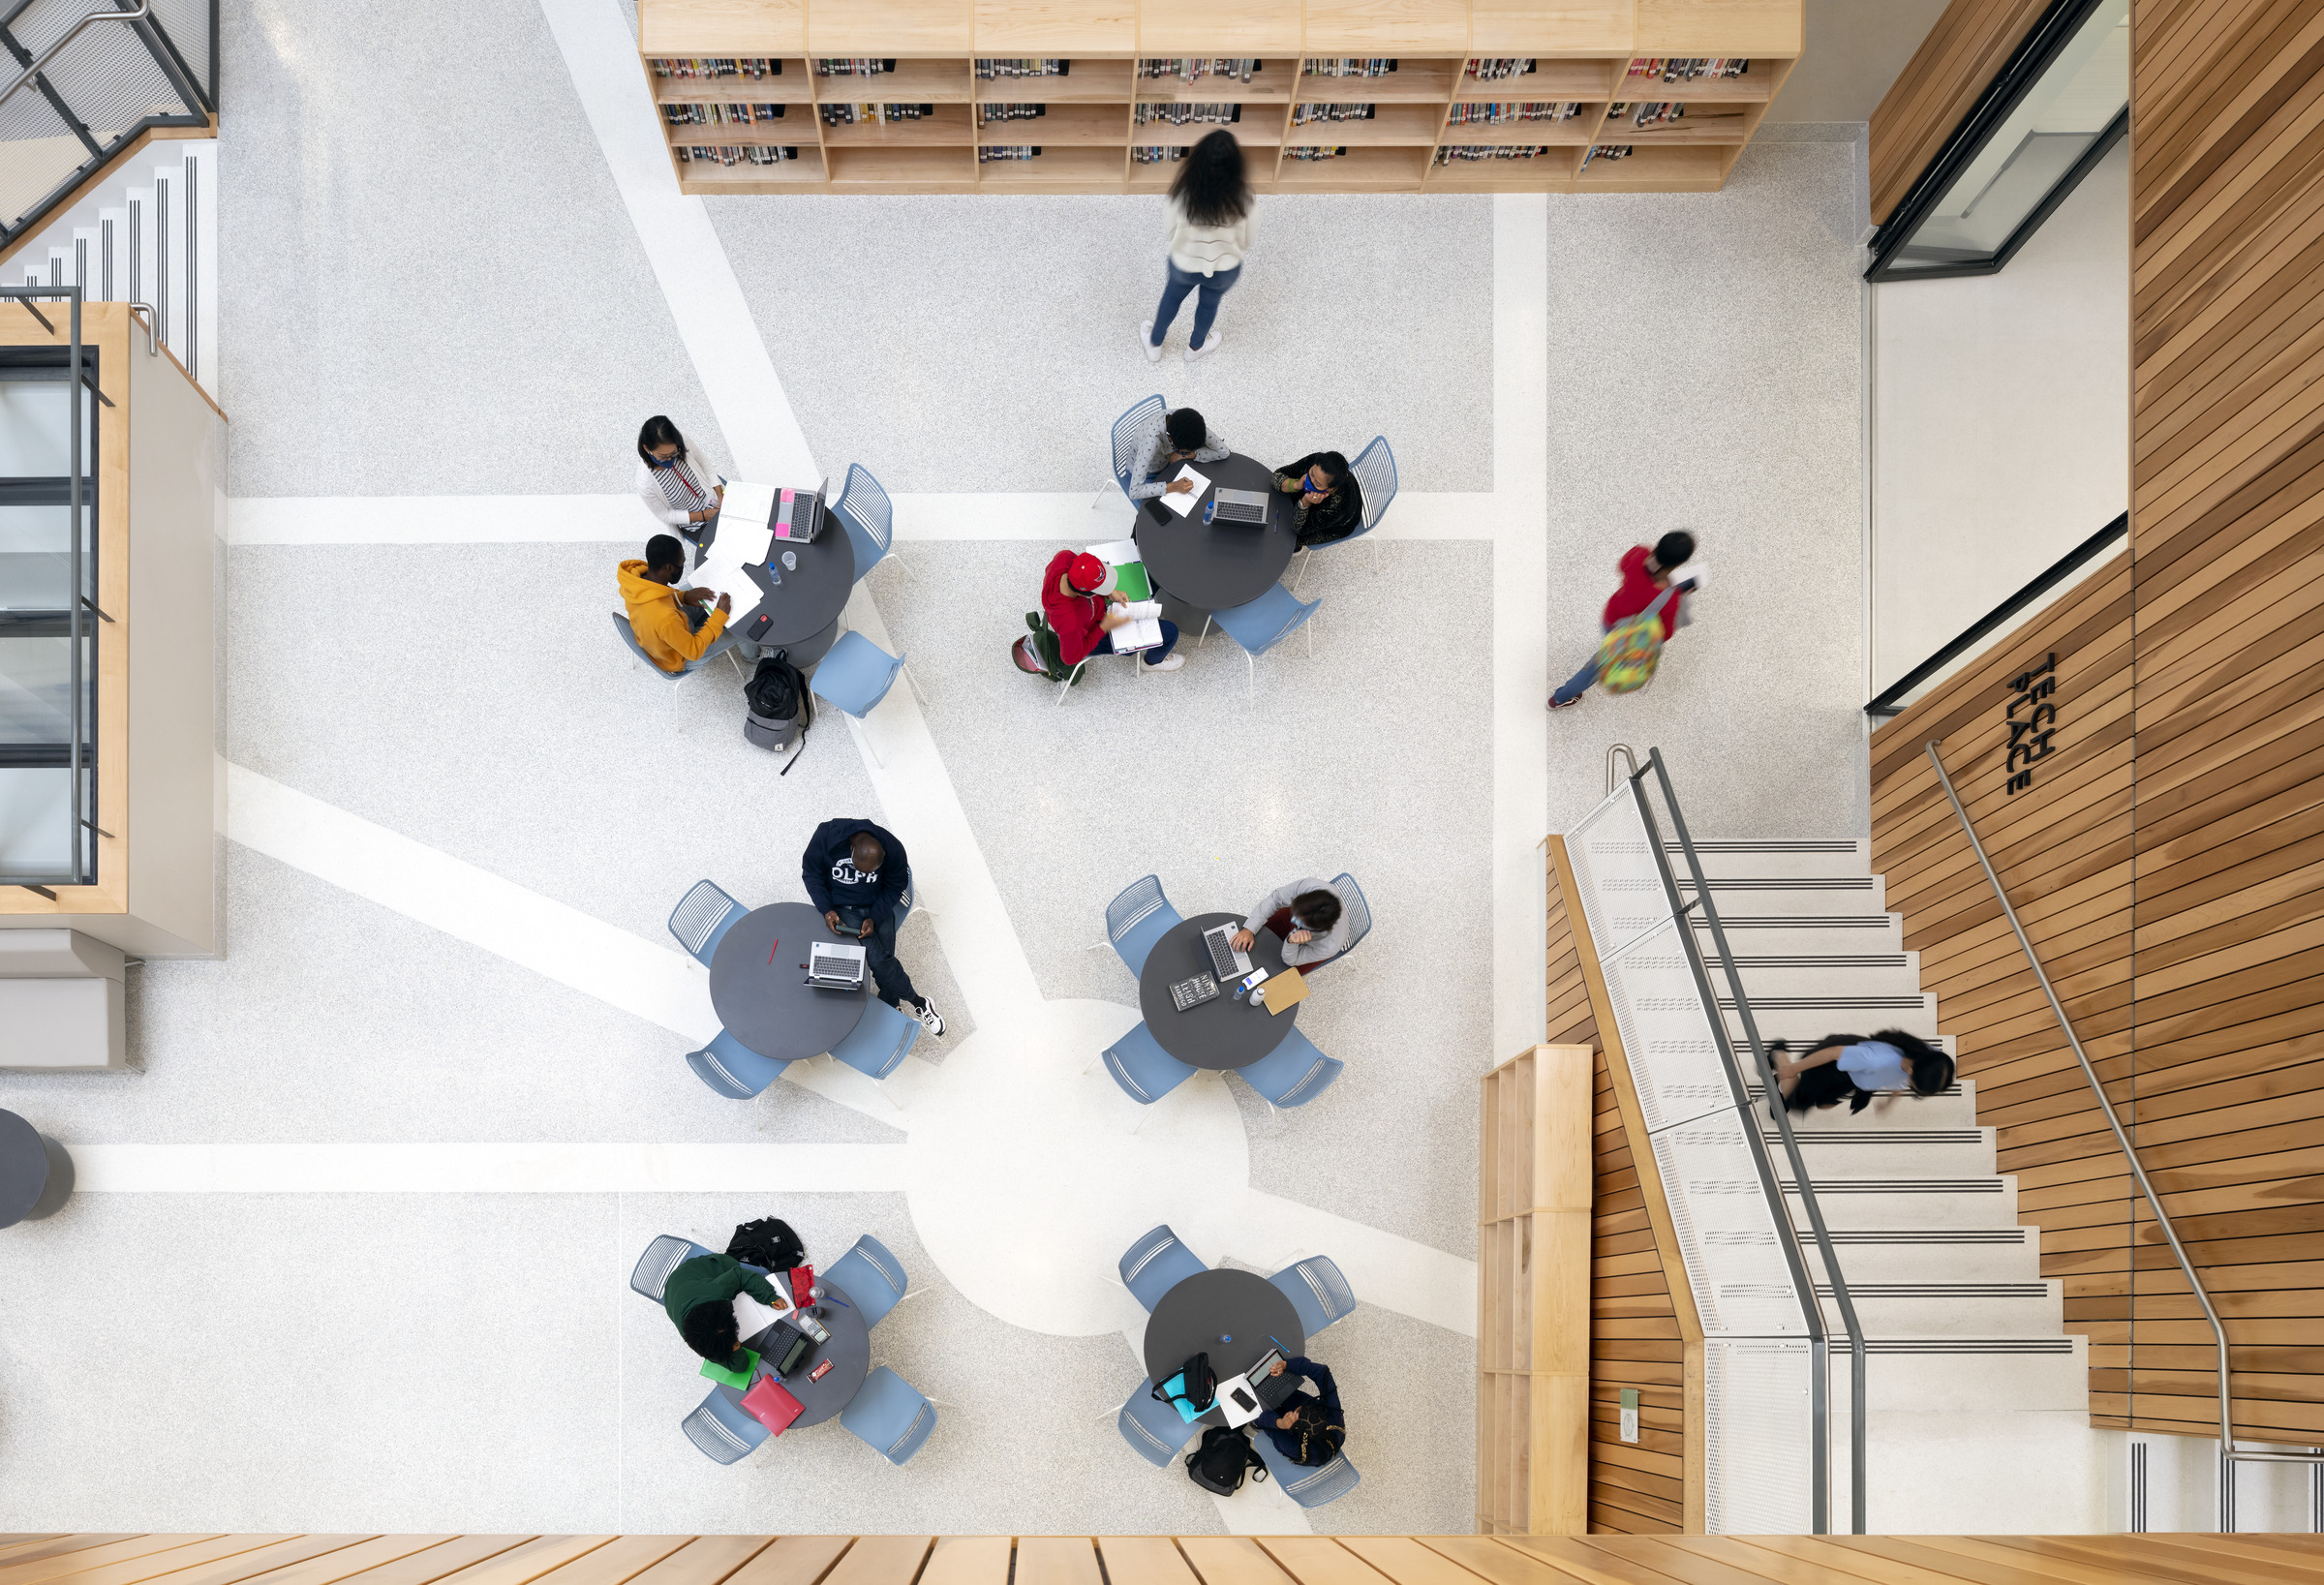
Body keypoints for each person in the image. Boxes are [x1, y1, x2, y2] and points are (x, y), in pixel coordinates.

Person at [802, 818, 945, 1037]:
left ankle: (892, 1003)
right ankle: (919, 1002)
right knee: (878, 960)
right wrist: (826, 909)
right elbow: (811, 873)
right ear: (851, 849)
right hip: (844, 907)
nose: (864, 876)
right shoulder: (826, 836)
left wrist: (875, 917)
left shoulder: (892, 847)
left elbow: (897, 883)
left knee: (884, 961)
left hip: (877, 905)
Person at [1548, 531, 1697, 709]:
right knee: (1596, 666)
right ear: (1680, 563)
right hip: (1624, 635)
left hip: (1611, 617)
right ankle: (1559, 698)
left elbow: (1622, 566)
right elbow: (1664, 634)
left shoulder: (1639, 554)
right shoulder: (1670, 599)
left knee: (1603, 650)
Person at [1142, 130, 1252, 363]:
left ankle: (1154, 343)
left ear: (1197, 160)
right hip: (1224, 268)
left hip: (1185, 263)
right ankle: (1195, 348)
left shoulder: (1182, 195)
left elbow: (1169, 231)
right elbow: (1247, 240)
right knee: (1209, 305)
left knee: (1171, 299)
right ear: (1236, 166)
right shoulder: (1245, 199)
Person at [1040, 549, 1183, 673]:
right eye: (1099, 588)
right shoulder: (1070, 623)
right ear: (1084, 594)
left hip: (1098, 611)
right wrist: (1104, 627)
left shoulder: (1064, 558)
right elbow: (1070, 658)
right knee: (1171, 632)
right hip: (1093, 633)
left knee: (1153, 577)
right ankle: (1151, 664)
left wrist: (1110, 592)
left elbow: (1086, 577)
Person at [1766, 1029, 1955, 1117]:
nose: (1911, 1086)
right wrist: (1793, 1069)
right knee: (1798, 1103)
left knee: (1824, 1104)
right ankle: (1778, 1054)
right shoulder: (1876, 1059)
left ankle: (1790, 1084)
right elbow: (1833, 1053)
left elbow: (1902, 1083)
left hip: (1858, 1076)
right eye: (1914, 1085)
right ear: (1911, 1071)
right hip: (1835, 1063)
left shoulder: (1928, 1058)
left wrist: (1888, 1103)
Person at [618, 533, 731, 673]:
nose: (683, 564)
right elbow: (693, 651)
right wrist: (719, 616)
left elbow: (660, 595)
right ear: (670, 568)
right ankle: (751, 656)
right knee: (737, 632)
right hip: (681, 656)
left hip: (668, 628)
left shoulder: (635, 581)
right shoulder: (665, 618)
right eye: (682, 562)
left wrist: (683, 597)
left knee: (701, 587)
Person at [662, 1248, 787, 1374]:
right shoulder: (699, 1341)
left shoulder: (716, 1290)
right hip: (674, 1293)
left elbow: (740, 1275)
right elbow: (740, 1366)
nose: (736, 1340)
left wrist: (770, 1297)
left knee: (763, 1272)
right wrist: (733, 1347)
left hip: (704, 1269)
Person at [635, 415, 724, 544]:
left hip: (713, 498)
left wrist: (720, 497)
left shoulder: (681, 439)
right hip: (695, 524)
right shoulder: (645, 483)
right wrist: (705, 515)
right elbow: (665, 515)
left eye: (673, 453)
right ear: (647, 449)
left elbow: (703, 462)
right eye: (663, 456)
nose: (670, 459)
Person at [1231, 878, 1350, 972]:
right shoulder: (1310, 885)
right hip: (1306, 922)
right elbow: (1276, 898)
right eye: (1295, 913)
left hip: (1309, 945)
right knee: (1258, 938)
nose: (1293, 921)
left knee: (1279, 974)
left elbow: (1292, 960)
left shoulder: (1329, 947)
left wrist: (1291, 942)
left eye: (1298, 921)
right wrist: (1249, 929)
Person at [1261, 1356, 1346, 1468]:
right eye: (1301, 1407)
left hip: (1286, 1432)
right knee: (1290, 1396)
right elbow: (1322, 1372)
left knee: (1259, 1408)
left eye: (1296, 1411)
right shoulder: (1333, 1416)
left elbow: (1261, 1420)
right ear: (1321, 1410)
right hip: (1325, 1435)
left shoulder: (1292, 1447)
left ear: (1295, 1429)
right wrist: (1287, 1365)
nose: (1293, 1411)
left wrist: (1280, 1423)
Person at [1131, 408, 1231, 502]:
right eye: (1184, 452)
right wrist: (1174, 486)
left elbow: (1224, 452)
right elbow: (1134, 491)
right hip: (1149, 471)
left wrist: (1191, 454)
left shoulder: (1191, 423)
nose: (1184, 455)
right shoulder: (1151, 442)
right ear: (1171, 440)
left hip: (1166, 460)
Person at [1272, 452, 1363, 549]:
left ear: (1331, 489)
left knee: (1290, 538)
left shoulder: (1338, 506)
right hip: (1324, 502)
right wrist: (1296, 484)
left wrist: (1305, 503)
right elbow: (1277, 475)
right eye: (1311, 473)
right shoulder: (1316, 462)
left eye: (1317, 484)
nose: (1309, 481)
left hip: (1335, 528)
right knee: (1283, 497)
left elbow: (1298, 529)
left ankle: (1296, 548)